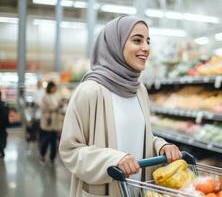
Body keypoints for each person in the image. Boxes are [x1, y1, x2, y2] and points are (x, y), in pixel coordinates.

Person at [59, 16, 181, 197]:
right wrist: (114, 159)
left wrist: (161, 146)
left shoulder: (140, 90)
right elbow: (70, 150)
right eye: (137, 40)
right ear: (115, 44)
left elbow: (140, 136)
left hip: (139, 191)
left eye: (148, 41)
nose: (146, 48)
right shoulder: (90, 91)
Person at [40, 81, 61, 164]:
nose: (55, 89)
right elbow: (43, 109)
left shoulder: (57, 96)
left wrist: (60, 106)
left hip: (55, 122)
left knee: (54, 142)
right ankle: (42, 155)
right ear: (50, 88)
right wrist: (55, 107)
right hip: (48, 121)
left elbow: (58, 107)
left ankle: (52, 157)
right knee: (46, 140)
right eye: (53, 87)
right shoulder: (45, 97)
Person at [0, 91, 9, 158]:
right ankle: (2, 150)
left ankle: (1, 150)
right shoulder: (3, 104)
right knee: (3, 137)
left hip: (2, 126)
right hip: (3, 126)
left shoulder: (3, 105)